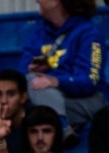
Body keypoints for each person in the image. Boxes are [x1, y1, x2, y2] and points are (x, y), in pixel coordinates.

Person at [19, 0, 104, 139]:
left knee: (34, 87)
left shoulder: (89, 33)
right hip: (44, 97)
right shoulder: (38, 33)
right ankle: (61, 127)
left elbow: (90, 80)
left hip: (83, 100)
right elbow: (20, 73)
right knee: (24, 86)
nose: (37, 1)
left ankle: (61, 128)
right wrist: (31, 68)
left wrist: (56, 81)